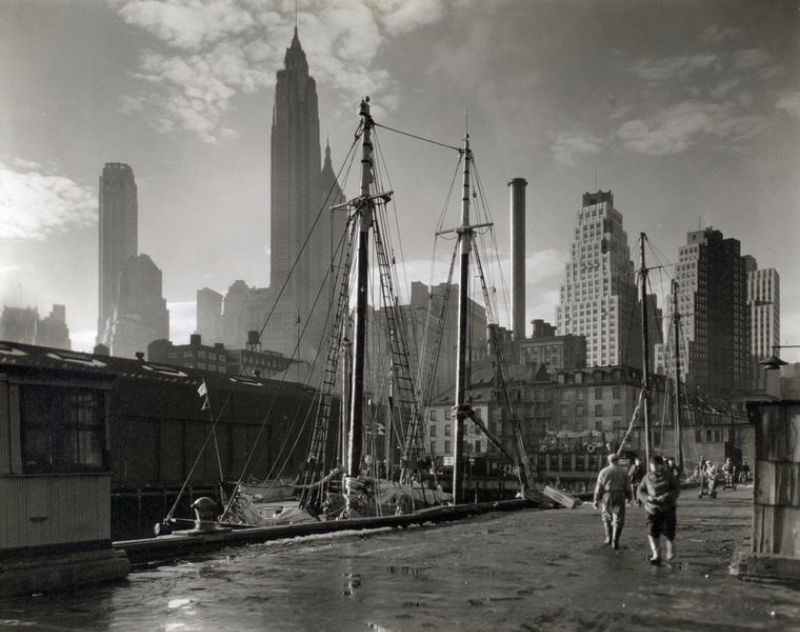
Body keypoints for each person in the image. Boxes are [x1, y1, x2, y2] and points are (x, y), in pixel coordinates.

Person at [637, 455, 681, 564]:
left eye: (657, 465)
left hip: (667, 508)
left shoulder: (669, 476)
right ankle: (656, 554)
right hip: (652, 508)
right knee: (652, 532)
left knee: (669, 531)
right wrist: (647, 498)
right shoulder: (647, 477)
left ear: (662, 465)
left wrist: (667, 496)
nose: (655, 467)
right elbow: (640, 491)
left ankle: (670, 551)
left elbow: (676, 489)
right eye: (652, 465)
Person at [593, 453, 631, 549]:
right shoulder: (623, 472)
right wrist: (629, 497)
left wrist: (596, 499)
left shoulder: (603, 471)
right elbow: (628, 487)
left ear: (609, 461)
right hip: (620, 495)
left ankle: (608, 538)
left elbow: (599, 487)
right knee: (618, 518)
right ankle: (615, 541)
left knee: (606, 516)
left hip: (607, 495)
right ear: (618, 460)